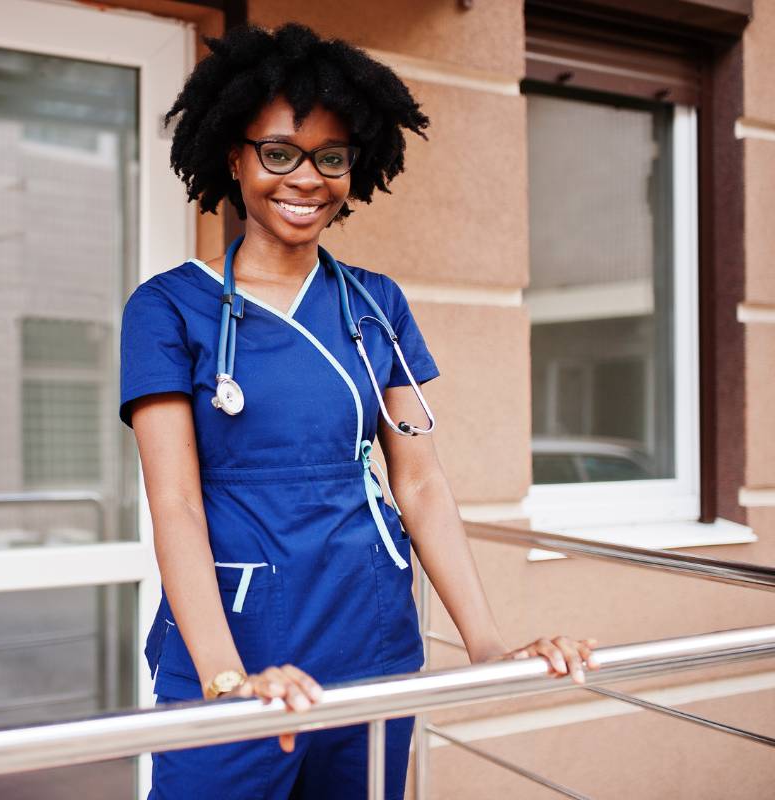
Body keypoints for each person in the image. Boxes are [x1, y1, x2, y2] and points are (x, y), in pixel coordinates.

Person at [119, 23, 598, 800]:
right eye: (278, 152)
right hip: (237, 646)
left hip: (370, 639)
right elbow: (173, 501)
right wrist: (226, 679)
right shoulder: (168, 308)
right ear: (234, 157)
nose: (305, 178)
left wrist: (487, 646)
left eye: (330, 157)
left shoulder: (376, 305)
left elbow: (421, 484)